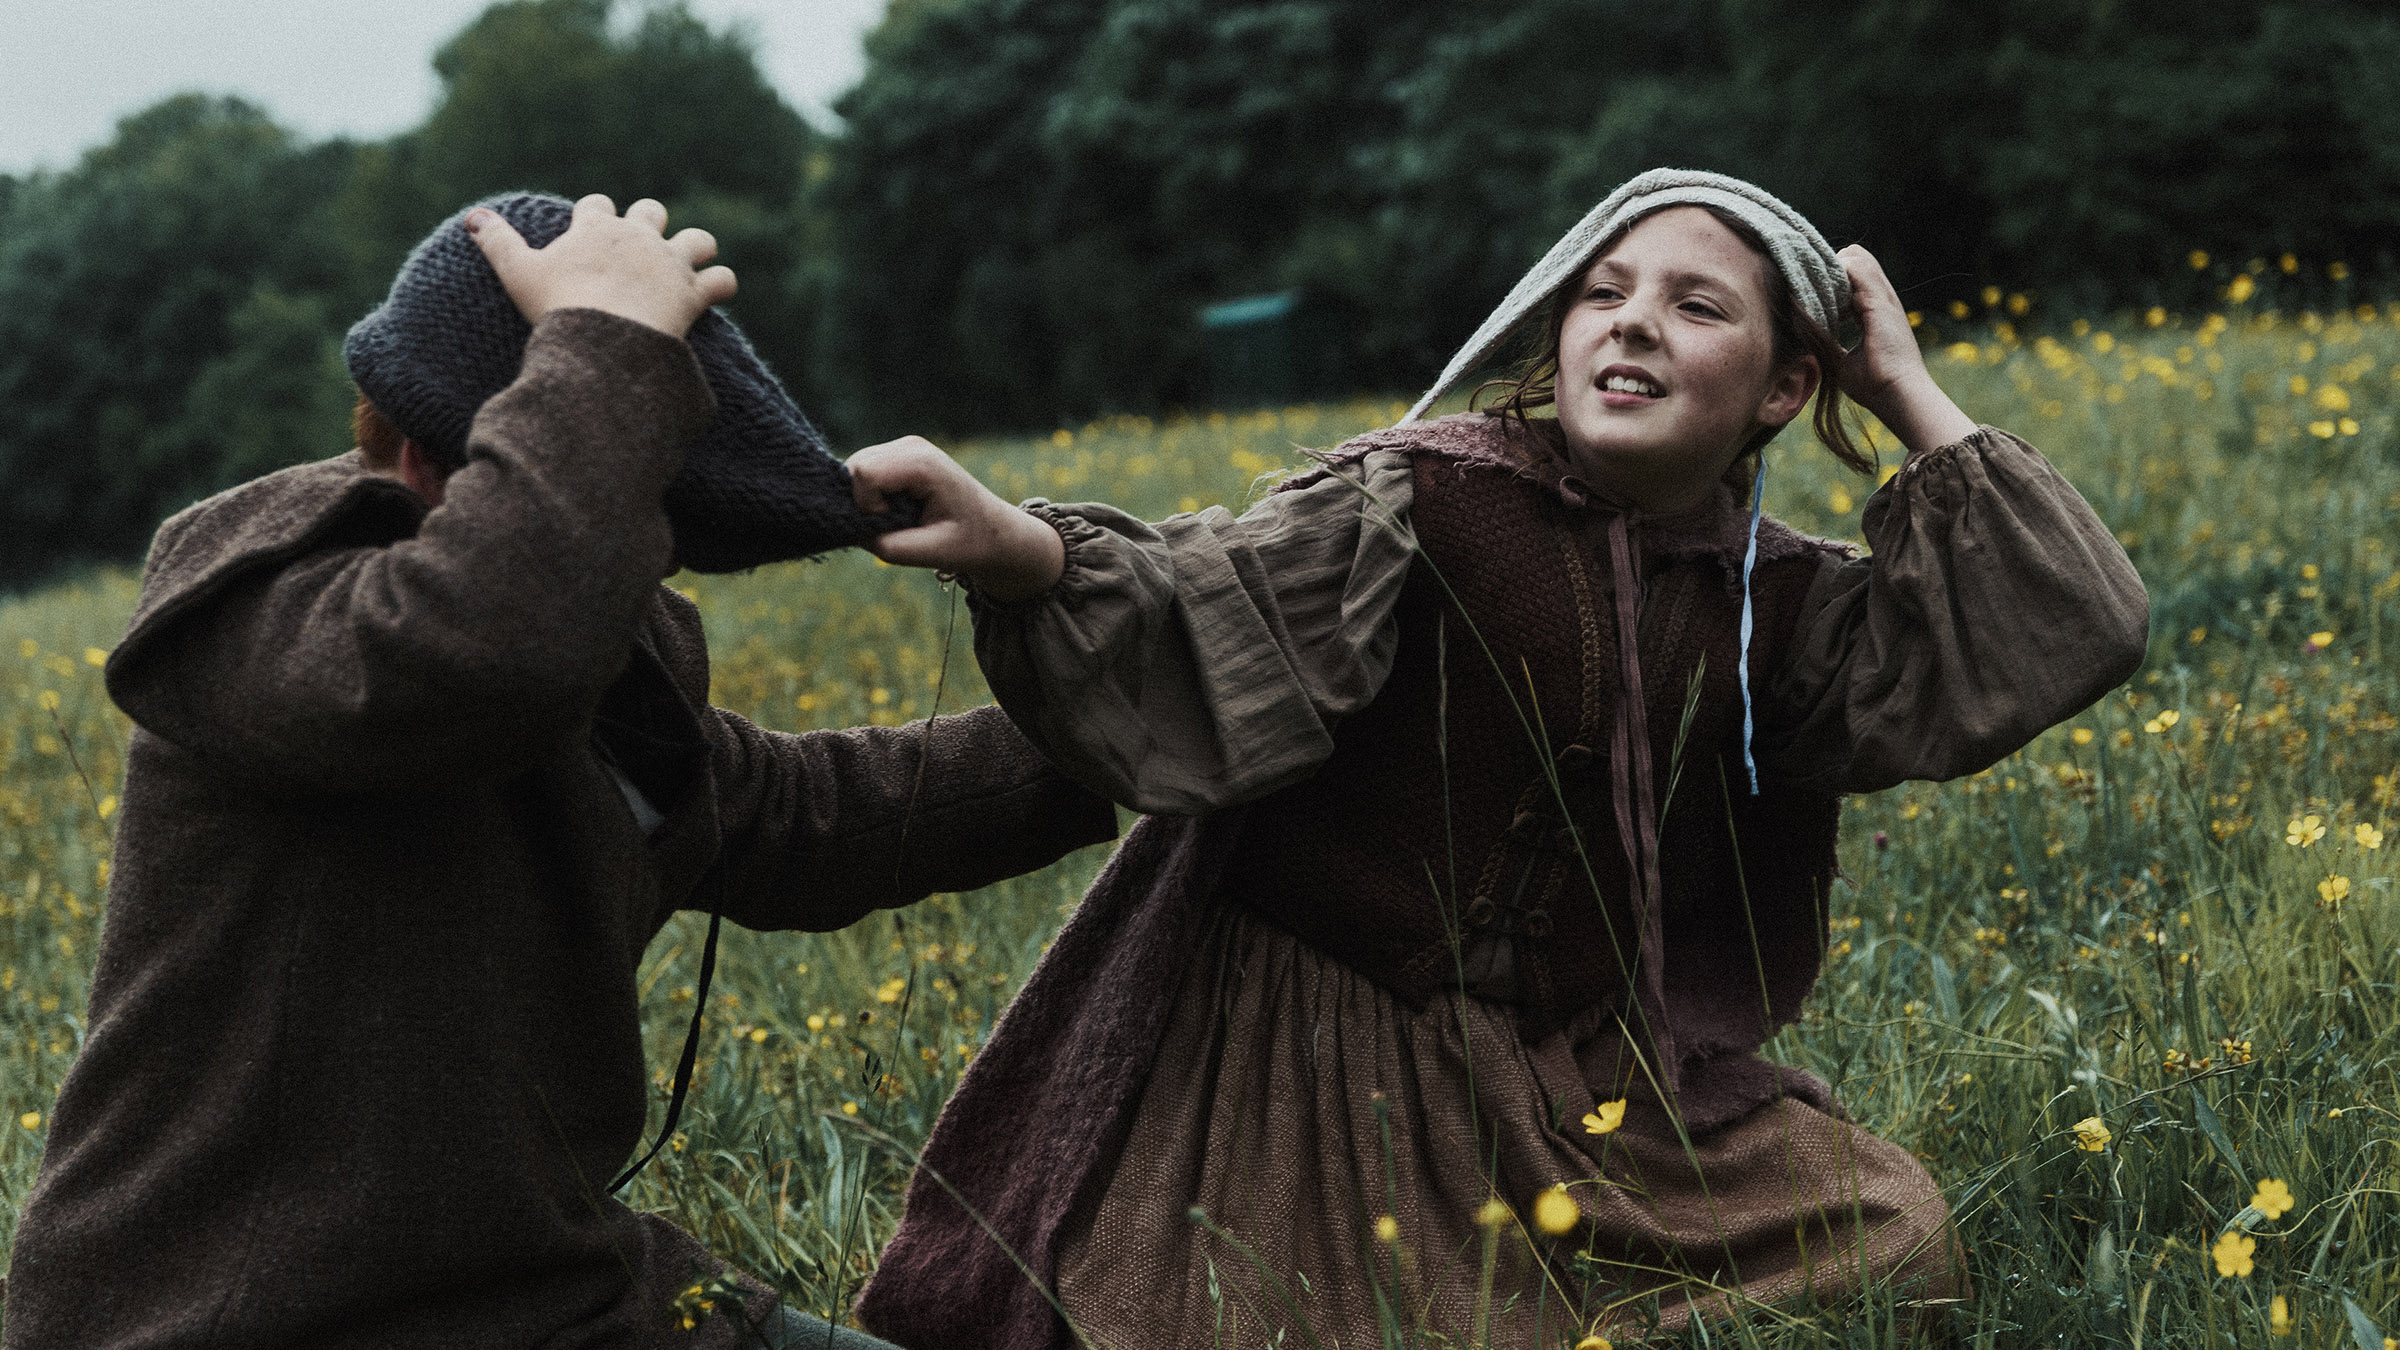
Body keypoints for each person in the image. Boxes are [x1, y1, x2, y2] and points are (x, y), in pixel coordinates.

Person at [845, 169, 2149, 1347]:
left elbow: (2073, 621)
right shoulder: (1417, 499)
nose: (1633, 321)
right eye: (1603, 293)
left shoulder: (1776, 600)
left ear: (1784, 385)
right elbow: (1202, 604)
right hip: (1303, 1077)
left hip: (1571, 1093)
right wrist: (1017, 547)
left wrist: (1906, 389)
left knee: (1898, 1234)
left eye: (1697, 306)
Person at [0, 192, 1117, 1350]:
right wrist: (610, 337)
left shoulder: (604, 656)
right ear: (436, 456)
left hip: (549, 1303)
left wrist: (1128, 702)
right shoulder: (264, 604)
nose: (639, 543)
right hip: (232, 1323)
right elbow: (483, 654)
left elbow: (804, 817)